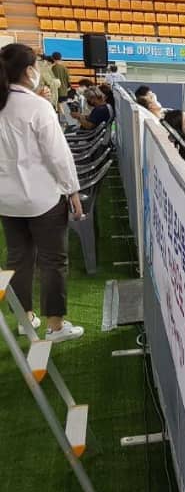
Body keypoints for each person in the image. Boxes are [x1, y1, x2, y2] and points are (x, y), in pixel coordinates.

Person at [0, 43, 85, 342]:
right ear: (28, 71)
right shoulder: (37, 107)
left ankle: (26, 319)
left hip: (7, 200)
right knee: (52, 261)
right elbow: (57, 155)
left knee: (18, 258)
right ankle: (55, 325)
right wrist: (72, 190)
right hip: (43, 199)